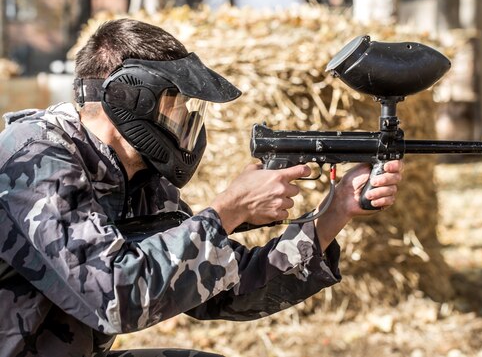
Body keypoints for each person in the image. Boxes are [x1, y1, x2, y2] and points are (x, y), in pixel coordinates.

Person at [0, 19, 403, 357]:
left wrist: (336, 211)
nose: (186, 122)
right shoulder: (35, 154)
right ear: (130, 96)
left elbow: (228, 289)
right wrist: (230, 209)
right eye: (175, 104)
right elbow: (112, 296)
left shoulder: (140, 180)